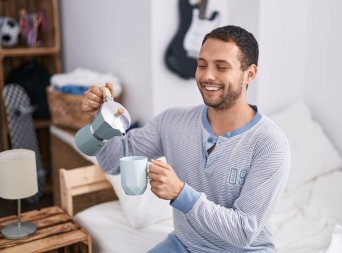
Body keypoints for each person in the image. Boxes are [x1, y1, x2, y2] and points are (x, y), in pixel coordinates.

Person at [82, 25, 290, 253]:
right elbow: (114, 162)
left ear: (250, 73)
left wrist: (182, 194)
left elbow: (242, 232)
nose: (207, 75)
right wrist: (101, 120)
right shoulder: (171, 122)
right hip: (185, 246)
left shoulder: (270, 144)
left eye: (221, 67)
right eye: (202, 65)